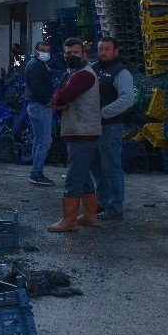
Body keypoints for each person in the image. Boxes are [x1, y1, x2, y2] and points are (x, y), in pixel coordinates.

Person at [47, 37, 102, 233]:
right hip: (78, 131)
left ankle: (69, 220)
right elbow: (56, 95)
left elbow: (61, 96)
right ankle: (89, 216)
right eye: (68, 53)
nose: (71, 56)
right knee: (84, 175)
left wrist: (57, 101)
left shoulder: (83, 75)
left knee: (73, 176)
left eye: (75, 53)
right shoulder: (73, 74)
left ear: (84, 54)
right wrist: (57, 100)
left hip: (82, 132)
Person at [90, 37, 134, 220]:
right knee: (96, 167)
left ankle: (115, 207)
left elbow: (127, 99)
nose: (103, 53)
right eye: (100, 49)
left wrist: (103, 112)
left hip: (110, 127)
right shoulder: (95, 69)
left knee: (111, 168)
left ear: (116, 51)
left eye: (107, 49)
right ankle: (101, 202)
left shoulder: (121, 73)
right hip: (93, 128)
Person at [24, 41, 55, 186]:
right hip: (40, 106)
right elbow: (37, 87)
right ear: (36, 50)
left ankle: (36, 171)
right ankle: (36, 173)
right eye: (43, 50)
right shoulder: (36, 66)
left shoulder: (37, 64)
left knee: (38, 140)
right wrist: (48, 102)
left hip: (35, 106)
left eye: (48, 50)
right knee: (45, 141)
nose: (46, 52)